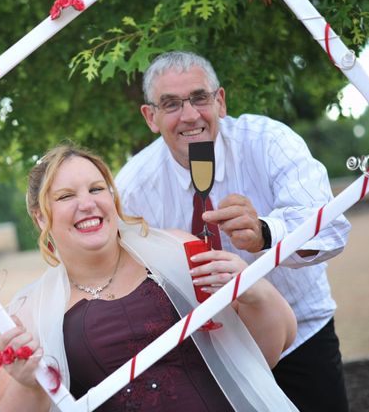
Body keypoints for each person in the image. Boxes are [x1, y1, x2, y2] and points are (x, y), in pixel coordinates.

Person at [115, 51, 352, 412]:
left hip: (301, 333)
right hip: (209, 355)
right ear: (151, 117)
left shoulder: (269, 141)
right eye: (171, 104)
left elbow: (332, 227)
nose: (190, 115)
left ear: (220, 101)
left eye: (199, 98)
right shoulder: (133, 188)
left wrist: (266, 233)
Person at [0, 144, 297, 411]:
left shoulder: (178, 251)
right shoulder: (29, 314)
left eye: (97, 189)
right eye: (66, 196)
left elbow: (267, 353)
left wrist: (253, 290)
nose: (87, 204)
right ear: (41, 216)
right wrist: (28, 384)